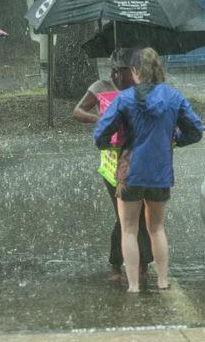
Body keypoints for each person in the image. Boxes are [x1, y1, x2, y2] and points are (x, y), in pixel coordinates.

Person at [94, 47, 203, 292]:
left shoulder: (124, 98)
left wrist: (110, 145)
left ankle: (133, 285)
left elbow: (101, 133)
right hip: (160, 171)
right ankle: (163, 280)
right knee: (157, 228)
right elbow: (196, 130)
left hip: (130, 170)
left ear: (134, 72)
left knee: (129, 229)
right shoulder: (174, 97)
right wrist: (175, 139)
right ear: (158, 70)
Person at [73, 47, 153, 281]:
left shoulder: (141, 88)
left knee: (143, 212)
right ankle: (116, 263)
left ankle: (143, 264)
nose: (136, 74)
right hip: (112, 161)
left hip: (140, 157)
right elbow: (77, 111)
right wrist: (100, 118)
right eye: (131, 70)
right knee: (125, 215)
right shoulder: (101, 87)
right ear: (117, 71)